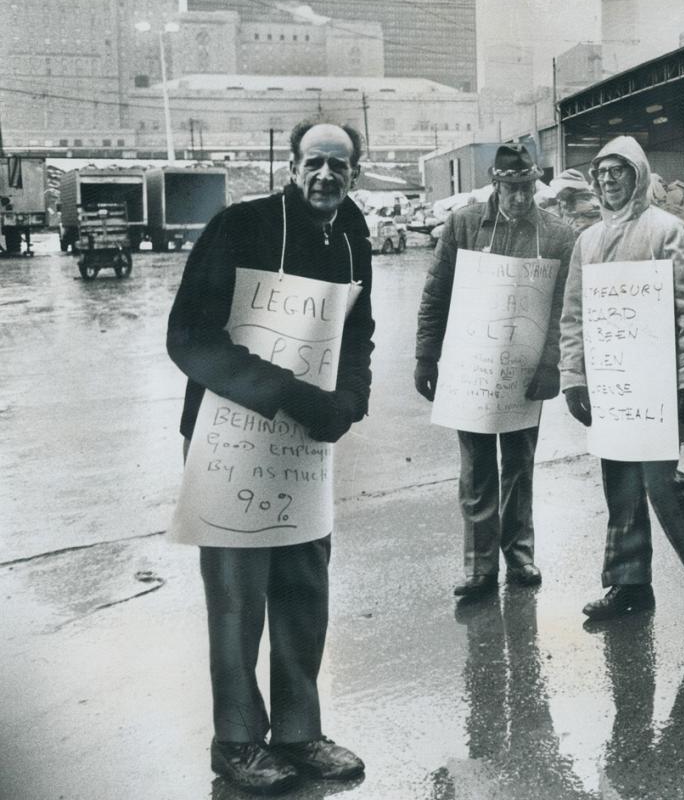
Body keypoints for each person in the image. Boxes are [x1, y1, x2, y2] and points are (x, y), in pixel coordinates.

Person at [167, 121, 373, 794]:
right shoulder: (240, 226)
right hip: (233, 435)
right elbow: (189, 338)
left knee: (304, 589)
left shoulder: (352, 235)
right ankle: (235, 741)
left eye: (338, 166)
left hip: (305, 446)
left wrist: (350, 398)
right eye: (314, 163)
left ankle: (298, 732)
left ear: (355, 172)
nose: (325, 176)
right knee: (237, 597)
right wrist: (284, 391)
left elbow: (359, 331)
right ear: (292, 165)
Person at [558, 136, 684, 620]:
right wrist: (574, 377)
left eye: (618, 171)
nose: (608, 179)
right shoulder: (588, 241)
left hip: (658, 386)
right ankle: (629, 584)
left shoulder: (669, 233)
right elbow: (573, 315)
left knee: (661, 483)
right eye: (601, 173)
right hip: (613, 386)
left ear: (637, 174)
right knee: (618, 484)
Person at [414, 144, 578, 601]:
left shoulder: (558, 235)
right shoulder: (464, 224)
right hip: (474, 370)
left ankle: (519, 554)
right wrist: (426, 355)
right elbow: (436, 293)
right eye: (512, 188)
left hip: (526, 374)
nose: (521, 198)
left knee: (520, 465)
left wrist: (551, 365)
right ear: (496, 184)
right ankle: (479, 566)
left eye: (527, 188)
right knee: (477, 468)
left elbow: (563, 307)